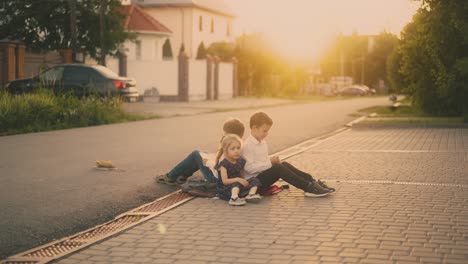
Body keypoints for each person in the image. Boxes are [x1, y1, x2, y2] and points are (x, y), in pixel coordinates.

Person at [242, 111, 335, 197]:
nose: (266, 134)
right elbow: (249, 168)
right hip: (253, 182)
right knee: (278, 168)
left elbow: (262, 161)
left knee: (283, 164)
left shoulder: (262, 142)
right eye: (264, 131)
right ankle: (308, 187)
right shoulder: (248, 145)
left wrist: (272, 160)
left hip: (262, 176)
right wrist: (270, 162)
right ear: (254, 128)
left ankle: (311, 181)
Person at [156, 118, 245, 185]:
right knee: (203, 153)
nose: (223, 134)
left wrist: (209, 162)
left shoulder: (229, 146)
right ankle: (182, 176)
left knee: (196, 154)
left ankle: (171, 176)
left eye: (224, 132)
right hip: (223, 176)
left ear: (228, 134)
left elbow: (220, 165)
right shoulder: (238, 146)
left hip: (216, 180)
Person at [215, 134, 262, 206]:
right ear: (225, 150)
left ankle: (251, 195)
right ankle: (234, 199)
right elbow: (225, 181)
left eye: (238, 148)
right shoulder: (224, 164)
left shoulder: (240, 161)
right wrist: (237, 179)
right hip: (226, 190)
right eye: (233, 149)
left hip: (238, 186)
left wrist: (243, 181)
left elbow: (241, 174)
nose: (236, 151)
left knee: (254, 179)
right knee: (236, 183)